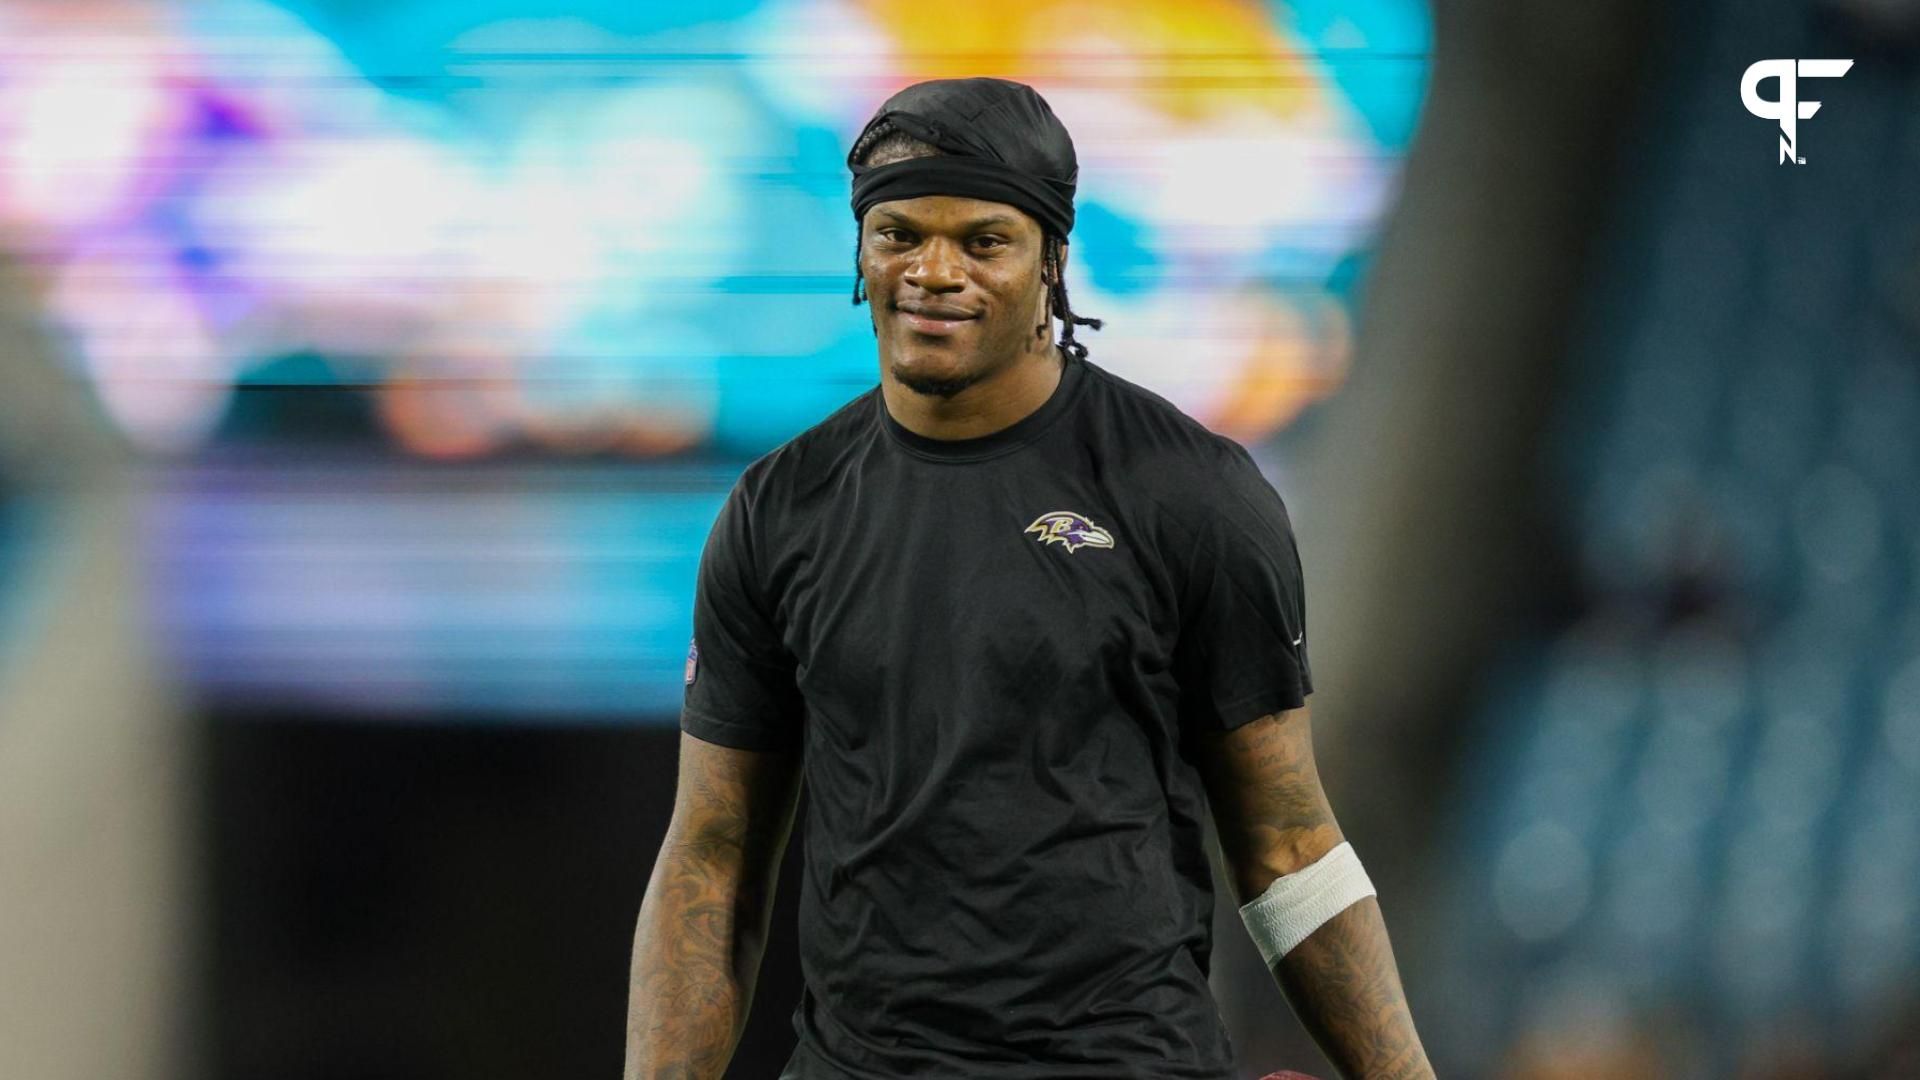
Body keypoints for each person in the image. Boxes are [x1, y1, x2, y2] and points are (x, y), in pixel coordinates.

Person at [625, 77, 1433, 1080]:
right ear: (859, 253)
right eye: (900, 234)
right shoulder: (779, 510)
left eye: (982, 241)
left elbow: (1290, 849)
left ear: (1052, 259)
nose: (933, 271)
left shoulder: (1191, 495)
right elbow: (713, 857)